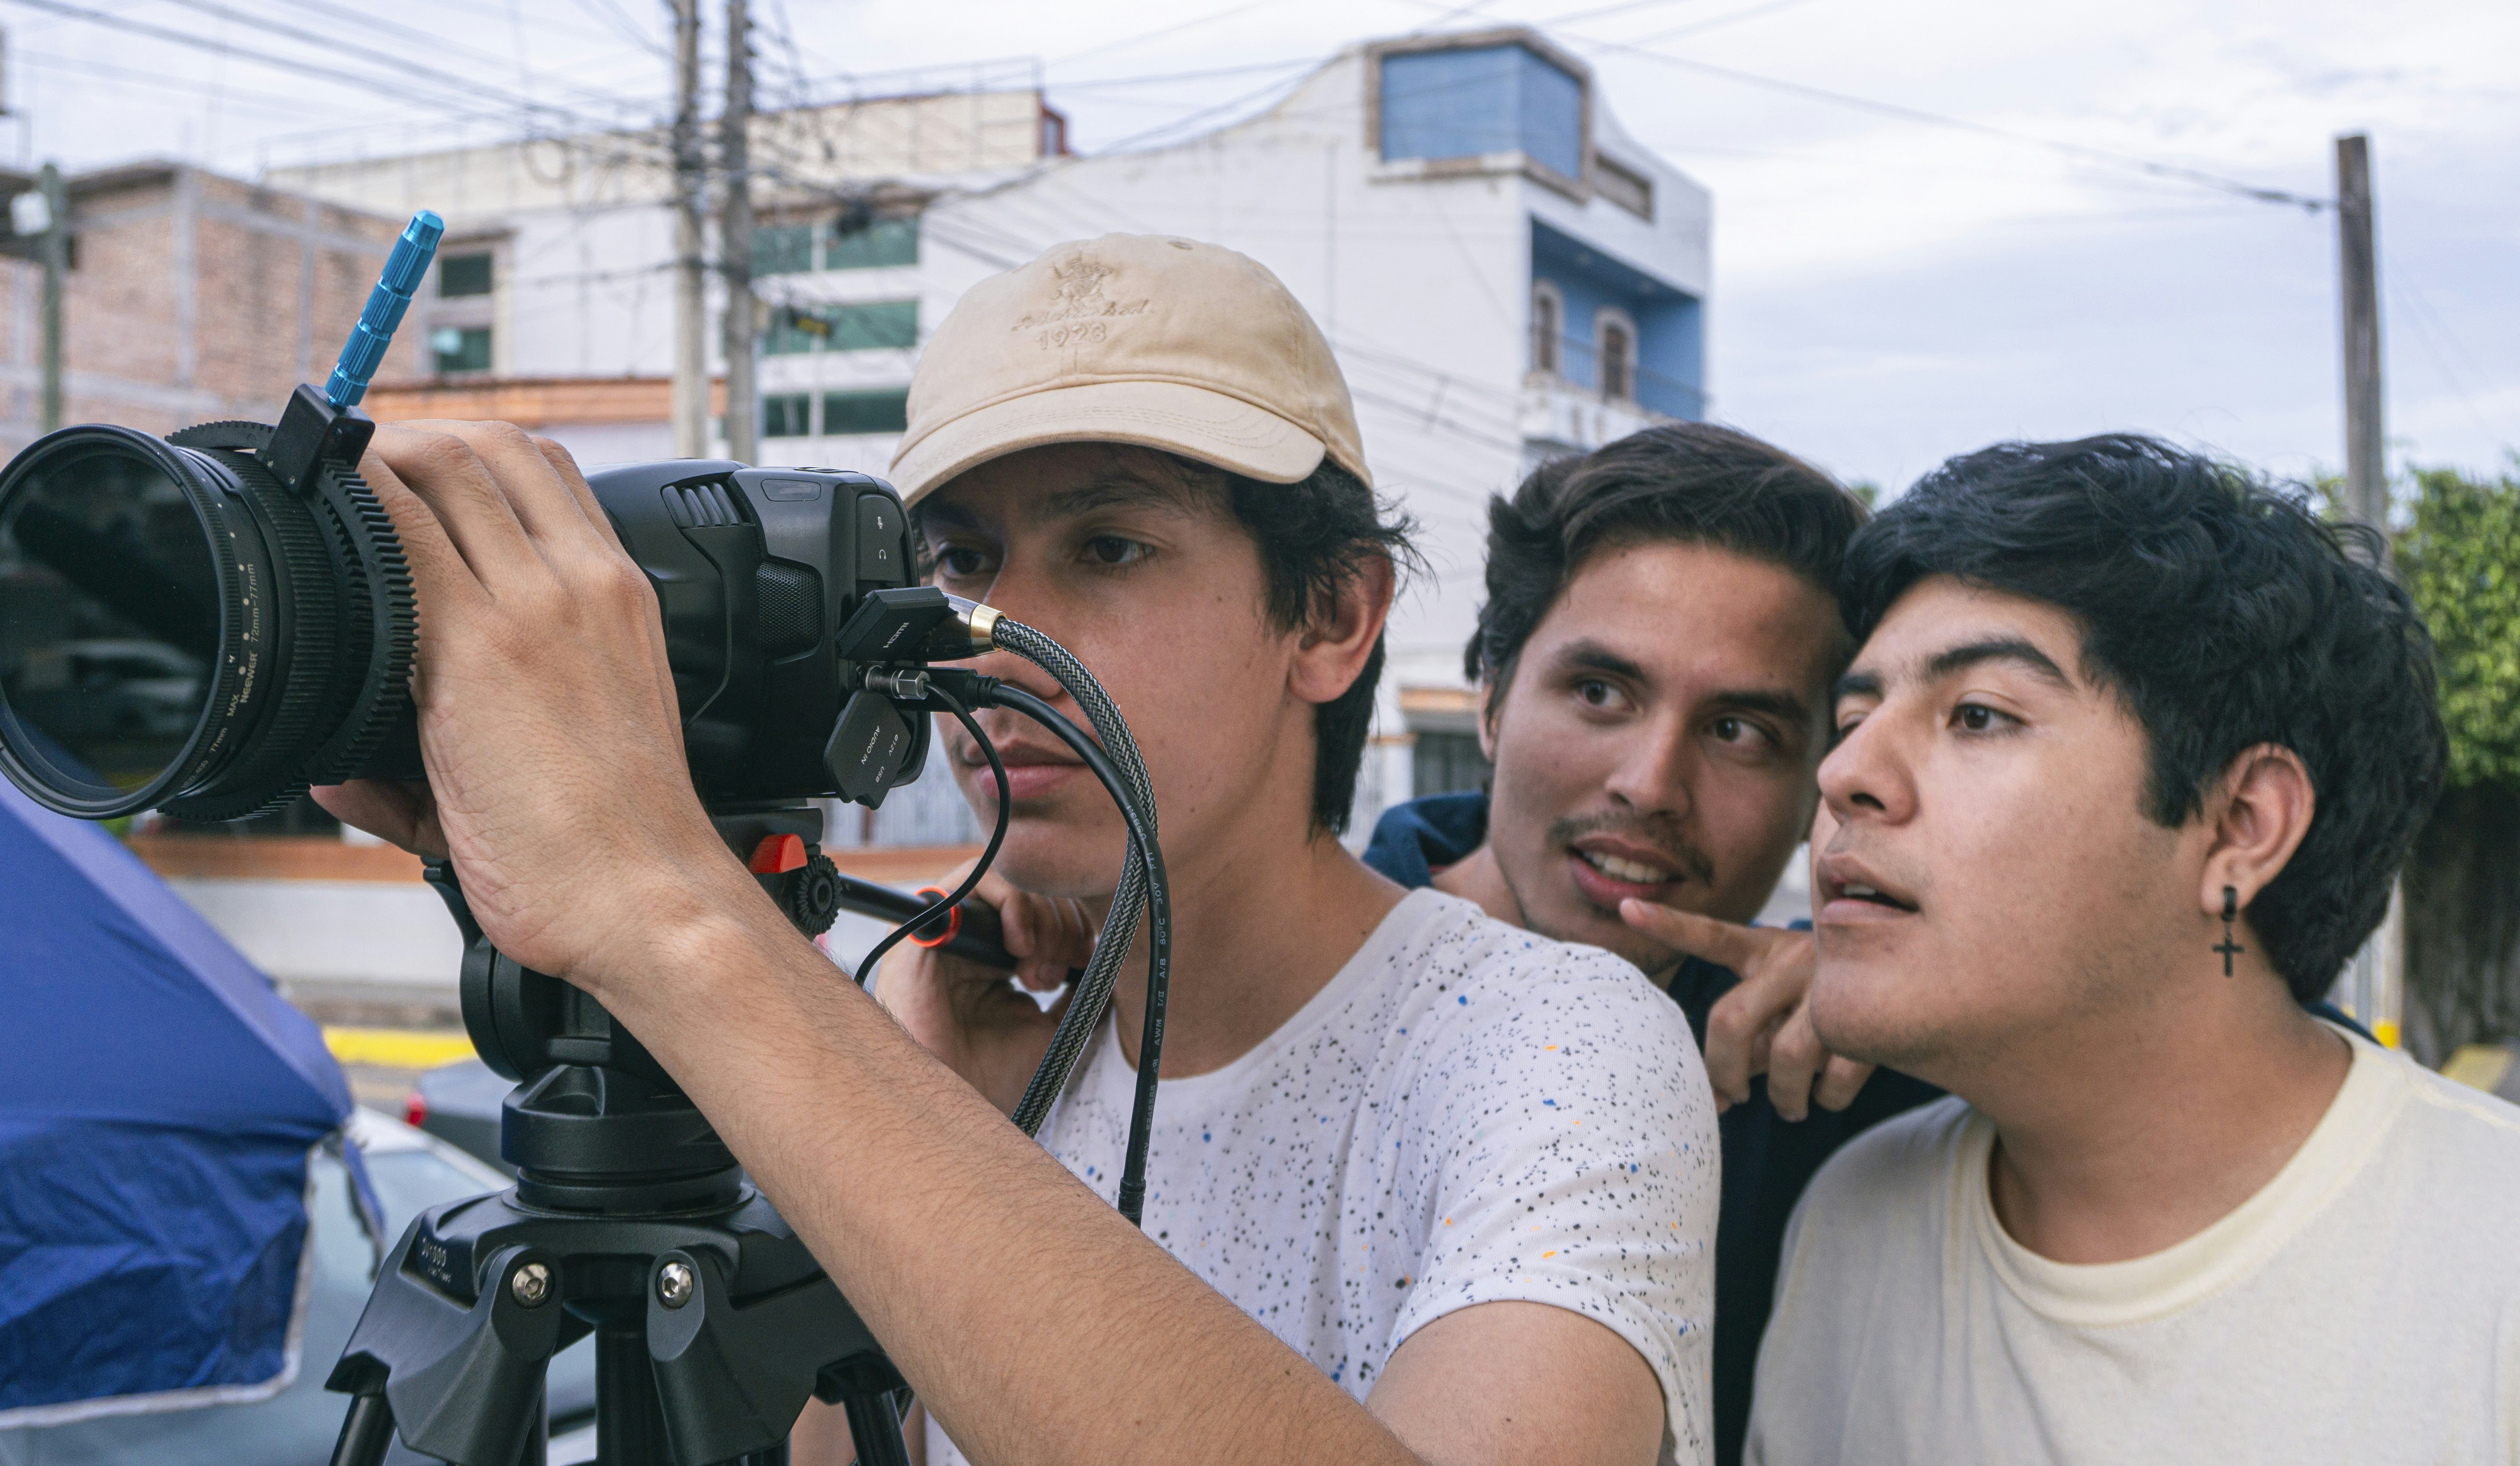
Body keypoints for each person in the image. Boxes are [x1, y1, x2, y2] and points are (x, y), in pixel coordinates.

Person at [319, 234, 1723, 1466]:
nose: (1005, 644)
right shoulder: (964, 1049)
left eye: (1109, 547)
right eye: (965, 562)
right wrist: (927, 1107)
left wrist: (670, 912)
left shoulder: (1553, 1045)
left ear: (1334, 616)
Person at [1744, 436, 2520, 1463]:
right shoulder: (1853, 1216)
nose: (1844, 772)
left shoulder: (2490, 1255)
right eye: (1853, 715)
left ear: (2243, 823)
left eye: (1977, 714)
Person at [1360, 424, 1941, 1465]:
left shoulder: (1829, 1059)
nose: (1650, 783)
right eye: (1600, 693)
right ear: (1491, 696)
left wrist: (1921, 998)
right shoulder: (1287, 979)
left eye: (1737, 730)